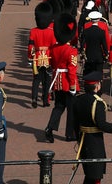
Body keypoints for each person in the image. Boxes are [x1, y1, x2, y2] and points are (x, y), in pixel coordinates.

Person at [71, 70, 112, 184]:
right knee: (96, 174)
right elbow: (101, 124)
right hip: (94, 141)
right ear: (97, 86)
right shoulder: (98, 103)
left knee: (89, 173)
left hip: (83, 139)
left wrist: (79, 139)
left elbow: (74, 122)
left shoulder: (78, 99)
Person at [45, 13, 79, 143]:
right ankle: (70, 134)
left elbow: (53, 64)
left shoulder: (54, 48)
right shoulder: (71, 51)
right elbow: (71, 70)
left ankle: (50, 128)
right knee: (71, 109)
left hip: (57, 80)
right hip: (67, 82)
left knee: (58, 107)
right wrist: (72, 86)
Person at [28, 2, 56, 108]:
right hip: (48, 58)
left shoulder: (33, 31)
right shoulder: (51, 32)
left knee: (36, 80)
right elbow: (53, 48)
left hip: (37, 58)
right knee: (47, 81)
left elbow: (30, 47)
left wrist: (30, 58)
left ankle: (34, 99)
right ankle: (45, 100)